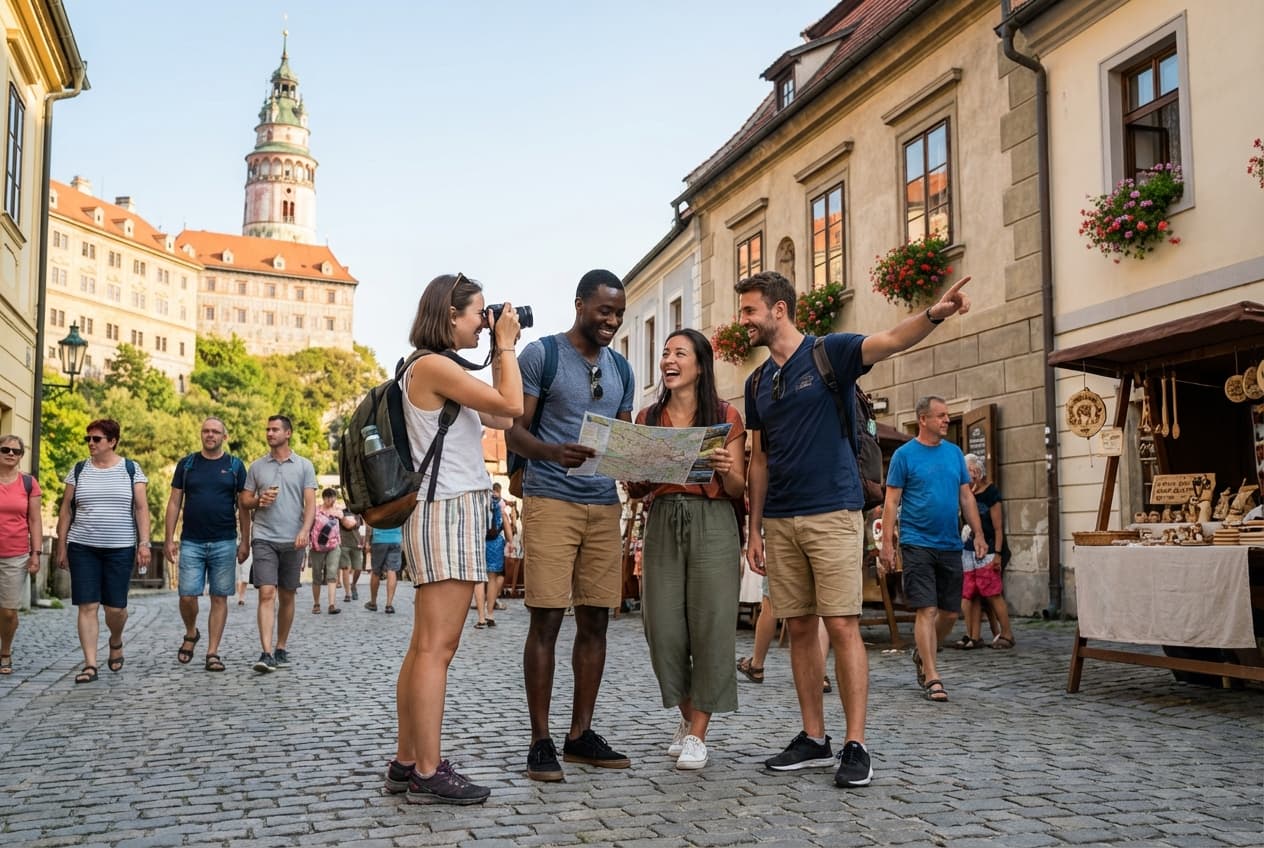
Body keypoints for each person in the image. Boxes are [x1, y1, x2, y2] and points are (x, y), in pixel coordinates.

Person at [740, 270, 975, 788]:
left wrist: (935, 314)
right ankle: (813, 738)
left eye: (750, 310)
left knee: (842, 623)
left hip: (832, 511)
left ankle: (855, 743)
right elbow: (759, 459)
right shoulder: (756, 382)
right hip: (779, 518)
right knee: (798, 626)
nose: (745, 321)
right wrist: (752, 529)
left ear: (778, 309)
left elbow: (890, 340)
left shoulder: (832, 352)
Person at [383, 272, 522, 806]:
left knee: (423, 648)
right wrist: (505, 344)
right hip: (448, 510)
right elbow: (512, 406)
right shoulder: (434, 365)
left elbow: (498, 415)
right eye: (477, 313)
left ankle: (405, 761)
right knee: (437, 650)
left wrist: (497, 350)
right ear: (450, 315)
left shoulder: (435, 369)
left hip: (442, 510)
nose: (483, 321)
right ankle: (428, 767)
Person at [506, 268, 635, 782]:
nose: (612, 321)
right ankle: (541, 741)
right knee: (546, 619)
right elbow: (513, 430)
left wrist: (645, 461)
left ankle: (579, 734)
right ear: (579, 304)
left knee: (597, 620)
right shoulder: (543, 355)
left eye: (619, 314)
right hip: (551, 499)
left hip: (604, 504)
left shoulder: (622, 368)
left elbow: (621, 441)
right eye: (605, 311)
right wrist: (550, 453)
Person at [627, 328, 746, 770]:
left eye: (679, 352)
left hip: (712, 520)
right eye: (664, 353)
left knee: (711, 626)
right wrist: (632, 471)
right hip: (662, 520)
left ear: (700, 364)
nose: (668, 360)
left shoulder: (725, 415)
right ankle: (686, 715)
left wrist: (727, 468)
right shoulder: (647, 418)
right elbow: (638, 488)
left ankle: (698, 732)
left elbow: (737, 487)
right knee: (662, 629)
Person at [880, 396, 987, 704]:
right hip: (917, 543)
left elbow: (966, 498)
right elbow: (891, 502)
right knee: (926, 608)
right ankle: (932, 675)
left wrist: (977, 534)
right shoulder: (904, 455)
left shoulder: (954, 455)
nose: (946, 420)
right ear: (923, 420)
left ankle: (922, 654)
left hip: (950, 543)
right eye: (941, 416)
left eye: (947, 416)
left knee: (951, 613)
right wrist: (888, 544)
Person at [54, 419, 151, 684]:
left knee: (116, 609)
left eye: (96, 439)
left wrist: (144, 544)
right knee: (87, 605)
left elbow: (141, 508)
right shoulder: (79, 470)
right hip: (82, 546)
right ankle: (90, 664)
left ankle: (116, 639)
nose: (91, 444)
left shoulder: (131, 469)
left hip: (119, 548)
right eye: (88, 439)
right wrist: (61, 544)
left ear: (112, 441)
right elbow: (66, 508)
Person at [164, 417, 250, 672]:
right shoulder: (187, 464)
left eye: (215, 432)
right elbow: (173, 503)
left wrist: (245, 541)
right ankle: (191, 632)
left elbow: (244, 507)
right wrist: (169, 538)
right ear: (201, 434)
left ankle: (212, 652)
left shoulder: (235, 466)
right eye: (206, 431)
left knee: (219, 597)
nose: (209, 435)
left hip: (224, 540)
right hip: (191, 541)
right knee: (187, 595)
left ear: (224, 436)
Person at [240, 415, 317, 673]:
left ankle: (281, 646)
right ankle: (266, 652)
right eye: (268, 429)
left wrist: (305, 531)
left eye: (275, 429)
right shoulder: (257, 467)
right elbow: (245, 500)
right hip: (264, 537)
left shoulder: (304, 466)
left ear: (288, 433)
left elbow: (310, 504)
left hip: (293, 539)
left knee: (287, 595)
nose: (270, 433)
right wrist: (258, 499)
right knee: (266, 592)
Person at [950, 453, 1015, 651]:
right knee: (971, 593)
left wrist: (997, 553)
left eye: (967, 471)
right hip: (968, 550)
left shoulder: (991, 493)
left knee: (992, 592)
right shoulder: (966, 493)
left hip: (988, 548)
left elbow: (997, 527)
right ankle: (973, 635)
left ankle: (1006, 634)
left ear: (977, 472)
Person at [0, 435, 41, 676]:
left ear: (21, 455)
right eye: (5, 449)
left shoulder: (28, 483)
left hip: (15, 554)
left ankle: (5, 651)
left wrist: (35, 553)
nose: (11, 454)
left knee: (8, 611)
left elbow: (34, 520)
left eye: (16, 451)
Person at [473, 482, 512, 628]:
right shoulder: (500, 504)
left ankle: (481, 617)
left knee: (478, 579)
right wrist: (509, 541)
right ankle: (490, 614)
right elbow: (508, 531)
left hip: (478, 543)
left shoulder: (476, 502)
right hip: (495, 544)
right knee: (492, 579)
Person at [309, 488, 343, 615]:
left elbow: (345, 521)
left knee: (332, 574)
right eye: (329, 498)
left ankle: (332, 605)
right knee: (317, 575)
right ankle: (316, 604)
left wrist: (340, 515)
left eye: (333, 497)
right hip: (318, 547)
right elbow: (309, 524)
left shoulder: (338, 510)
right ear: (324, 498)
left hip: (334, 546)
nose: (331, 500)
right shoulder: (316, 510)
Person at [365, 523, 402, 614]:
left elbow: (370, 521)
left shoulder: (376, 507)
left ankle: (373, 603)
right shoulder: (397, 507)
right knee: (392, 570)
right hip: (395, 538)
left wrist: (367, 541)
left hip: (379, 539)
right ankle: (389, 605)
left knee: (376, 572)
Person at [338, 510, 366, 603]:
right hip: (344, 544)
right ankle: (347, 593)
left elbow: (362, 528)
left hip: (356, 544)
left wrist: (363, 541)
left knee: (358, 568)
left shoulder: (358, 513)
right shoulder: (341, 513)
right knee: (345, 568)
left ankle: (353, 585)